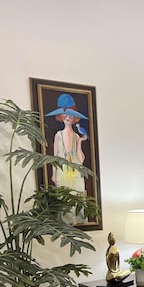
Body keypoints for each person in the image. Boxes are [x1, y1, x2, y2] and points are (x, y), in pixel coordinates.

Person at [45, 93, 89, 224]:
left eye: (71, 115)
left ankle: (80, 223)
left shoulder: (76, 136)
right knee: (64, 200)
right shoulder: (58, 135)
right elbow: (55, 156)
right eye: (65, 115)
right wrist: (54, 174)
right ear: (61, 116)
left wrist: (81, 141)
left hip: (76, 173)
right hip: (62, 172)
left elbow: (80, 160)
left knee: (78, 200)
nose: (68, 117)